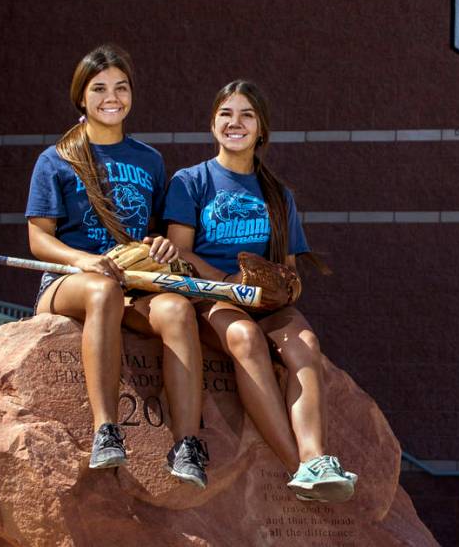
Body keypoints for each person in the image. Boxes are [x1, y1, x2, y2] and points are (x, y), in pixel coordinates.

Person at [163, 80, 357, 503]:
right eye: (226, 115)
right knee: (244, 338)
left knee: (305, 342)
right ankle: (299, 468)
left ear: (261, 128)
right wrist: (226, 282)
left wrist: (286, 287)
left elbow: (288, 268)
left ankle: (316, 456)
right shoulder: (190, 181)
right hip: (214, 296)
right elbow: (179, 252)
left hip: (264, 300)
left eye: (247, 115)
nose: (236, 123)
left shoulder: (277, 194)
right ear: (213, 124)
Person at [25, 44, 209, 487]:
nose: (112, 97)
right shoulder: (57, 159)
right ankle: (106, 431)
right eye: (100, 88)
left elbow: (154, 231)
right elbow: (38, 238)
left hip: (134, 281)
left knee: (178, 310)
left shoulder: (149, 160)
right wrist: (85, 260)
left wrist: (161, 247)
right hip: (69, 281)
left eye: (121, 87)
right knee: (101, 290)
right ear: (81, 97)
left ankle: (187, 445)